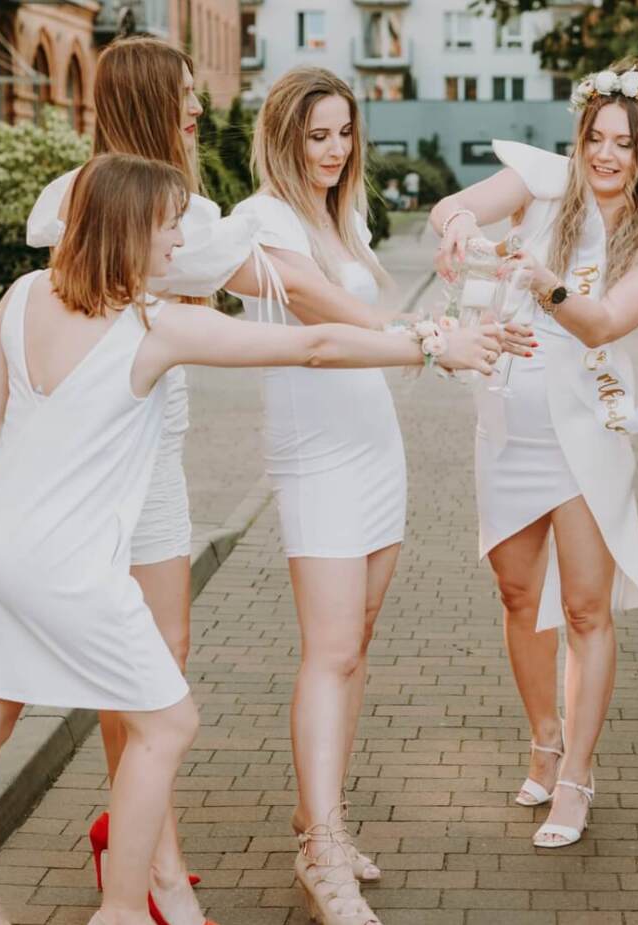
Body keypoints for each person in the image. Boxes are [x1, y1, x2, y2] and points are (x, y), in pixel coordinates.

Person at [0, 153, 501, 925]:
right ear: (129, 229)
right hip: (68, 565)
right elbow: (312, 346)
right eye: (168, 226)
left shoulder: (22, 296)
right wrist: (433, 346)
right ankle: (126, 908)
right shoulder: (152, 327)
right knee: (167, 722)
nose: (177, 243)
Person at [229, 66, 526, 925]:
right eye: (316, 134)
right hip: (314, 451)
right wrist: (435, 341)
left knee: (353, 643)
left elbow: (386, 307)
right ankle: (322, 854)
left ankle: (319, 815)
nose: (333, 149)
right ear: (284, 135)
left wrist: (453, 296)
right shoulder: (264, 222)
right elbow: (324, 325)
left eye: (343, 132)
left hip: (373, 440)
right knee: (326, 649)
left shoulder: (343, 214)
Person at [427, 58, 638, 850]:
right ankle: (545, 737)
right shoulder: (541, 184)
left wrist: (545, 280)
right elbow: (453, 208)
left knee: (586, 609)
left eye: (625, 142)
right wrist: (462, 241)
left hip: (587, 436)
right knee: (519, 596)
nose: (607, 154)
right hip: (510, 425)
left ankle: (579, 774)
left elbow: (604, 323)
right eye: (597, 137)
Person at [23, 37, 259, 924]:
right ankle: (152, 854)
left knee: (162, 653)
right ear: (147, 101)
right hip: (104, 455)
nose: (198, 109)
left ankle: (130, 826)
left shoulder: (187, 208)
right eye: (186, 96)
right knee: (136, 657)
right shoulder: (90, 199)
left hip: (163, 449)